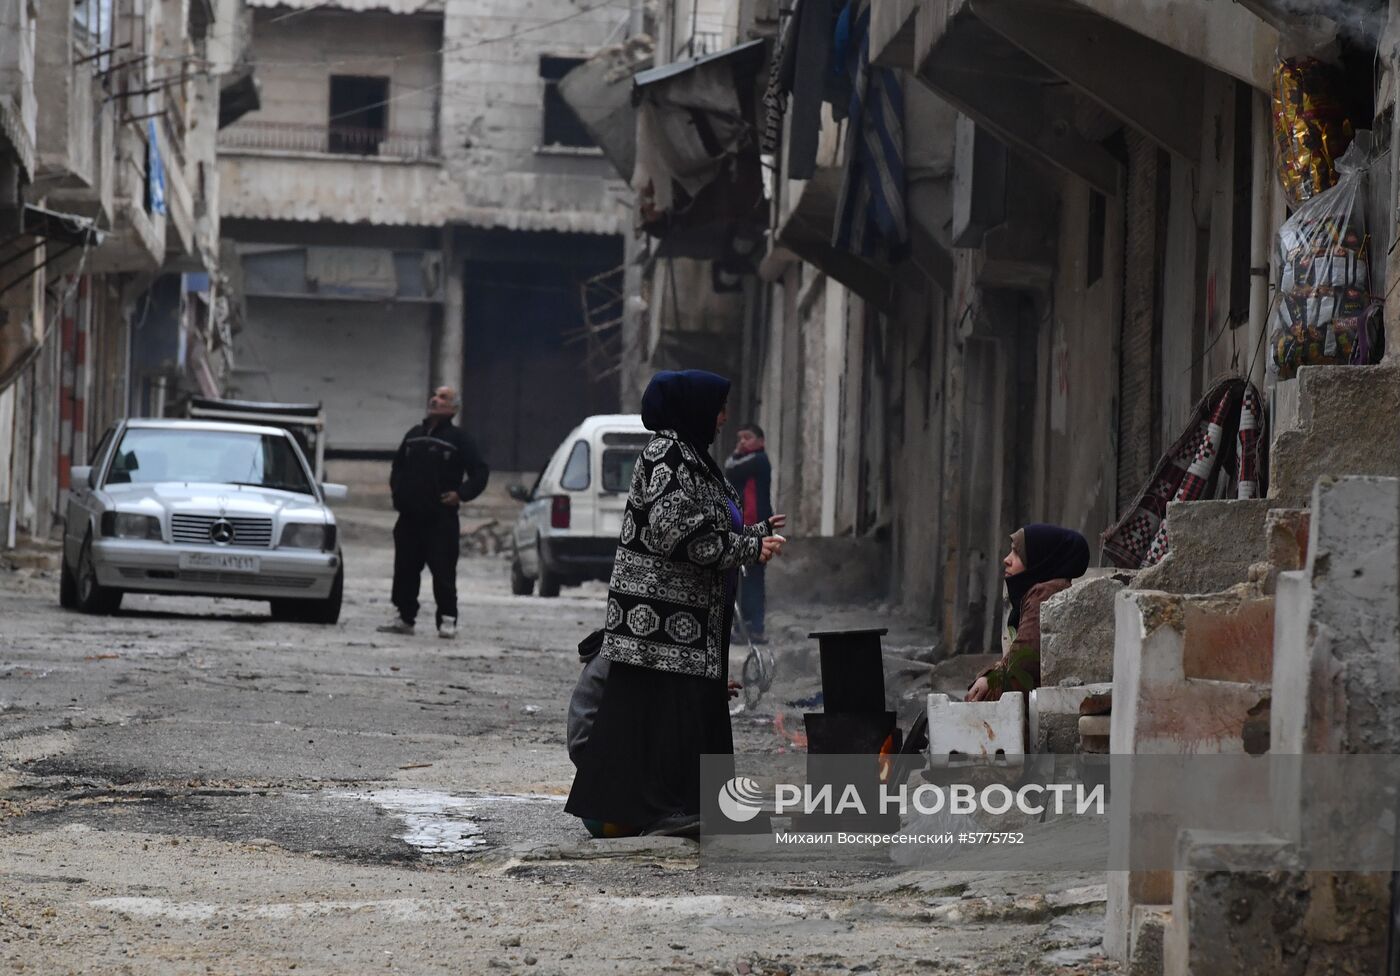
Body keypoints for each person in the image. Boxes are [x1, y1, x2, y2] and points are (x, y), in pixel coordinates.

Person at [565, 370, 787, 838]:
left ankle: (696, 807)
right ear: (693, 408)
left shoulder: (694, 458)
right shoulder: (666, 453)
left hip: (691, 626)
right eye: (719, 407)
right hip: (658, 624)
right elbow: (674, 534)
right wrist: (748, 549)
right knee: (660, 719)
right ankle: (653, 812)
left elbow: (708, 525)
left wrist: (756, 534)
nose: (723, 418)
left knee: (690, 718)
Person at [378, 386, 489, 639]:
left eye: (443, 398)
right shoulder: (414, 435)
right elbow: (397, 468)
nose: (435, 399)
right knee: (405, 569)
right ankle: (405, 618)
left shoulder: (460, 439)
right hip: (408, 518)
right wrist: (399, 494)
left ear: (454, 408)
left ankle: (447, 620)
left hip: (441, 520)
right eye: (435, 395)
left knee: (443, 571)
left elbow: (480, 473)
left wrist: (460, 494)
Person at [966, 523, 1090, 702]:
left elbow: (1022, 666)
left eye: (1017, 553)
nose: (1007, 560)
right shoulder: (1040, 593)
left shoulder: (1043, 595)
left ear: (1041, 559)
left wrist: (987, 690)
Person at [724, 422, 774, 643]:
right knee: (742, 577)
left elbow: (731, 468)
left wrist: (735, 454)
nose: (743, 442)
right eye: (740, 438)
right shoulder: (747, 462)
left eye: (748, 438)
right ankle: (742, 627)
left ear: (761, 442)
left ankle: (755, 627)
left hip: (758, 529)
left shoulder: (759, 460)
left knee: (753, 577)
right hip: (744, 528)